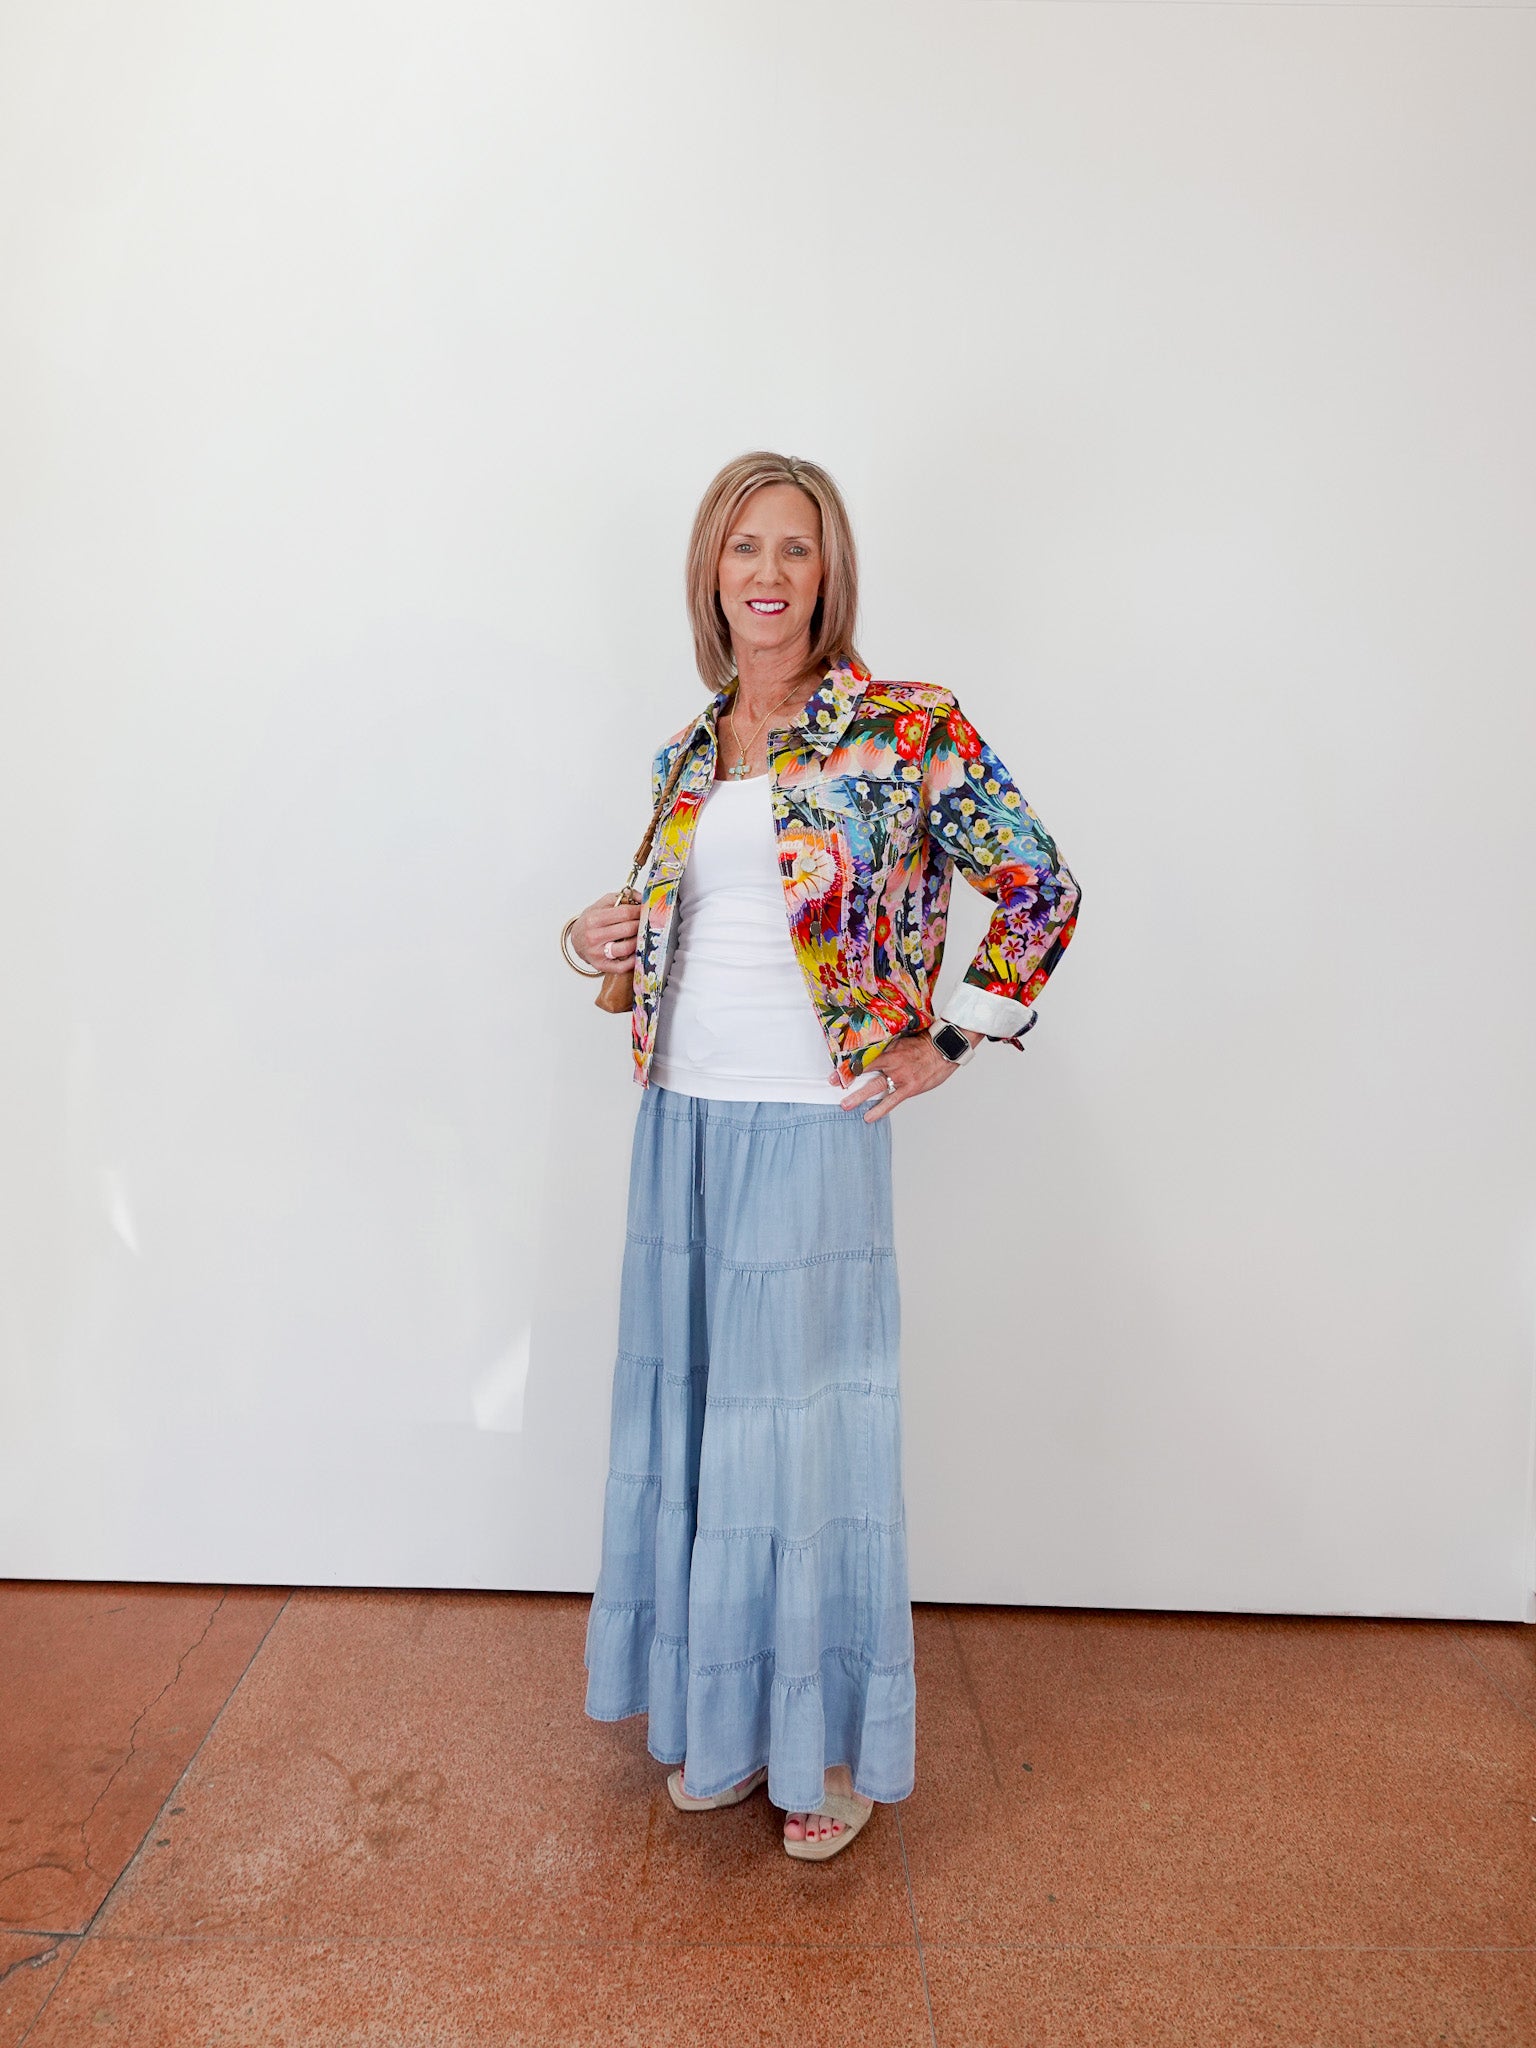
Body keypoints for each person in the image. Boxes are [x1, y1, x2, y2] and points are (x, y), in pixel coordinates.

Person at [565, 450, 1080, 1860]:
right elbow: (663, 926)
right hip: (680, 1116)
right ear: (710, 575)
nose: (769, 576)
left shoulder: (908, 728)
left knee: (794, 1449)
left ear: (828, 572)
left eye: (795, 550)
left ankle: (816, 1755)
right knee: (697, 1433)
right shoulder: (689, 749)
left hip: (813, 1123)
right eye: (745, 550)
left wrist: (955, 1037)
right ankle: (724, 1732)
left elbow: (1040, 881)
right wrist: (591, 937)